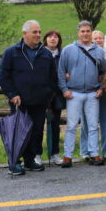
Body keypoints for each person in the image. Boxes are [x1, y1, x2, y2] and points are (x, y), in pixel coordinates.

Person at [0, 20, 56, 174]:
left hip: (39, 101)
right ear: (24, 33)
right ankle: (14, 162)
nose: (38, 35)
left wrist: (48, 94)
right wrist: (12, 94)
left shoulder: (46, 53)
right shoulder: (11, 52)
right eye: (35, 32)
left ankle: (30, 160)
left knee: (36, 131)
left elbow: (52, 77)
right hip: (19, 101)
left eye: (39, 32)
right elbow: (4, 77)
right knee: (18, 131)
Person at [59, 20, 106, 167]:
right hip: (74, 93)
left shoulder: (100, 51)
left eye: (88, 31)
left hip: (93, 93)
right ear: (78, 33)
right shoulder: (68, 50)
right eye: (82, 31)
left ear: (91, 32)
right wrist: (64, 89)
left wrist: (101, 88)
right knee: (72, 126)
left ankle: (94, 154)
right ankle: (68, 156)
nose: (85, 34)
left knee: (93, 126)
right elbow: (61, 71)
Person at [80, 31, 106, 160]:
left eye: (101, 38)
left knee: (105, 120)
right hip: (88, 91)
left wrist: (103, 84)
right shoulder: (84, 52)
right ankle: (85, 151)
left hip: (104, 91)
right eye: (96, 38)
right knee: (86, 122)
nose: (98, 40)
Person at [43, 30, 65, 165]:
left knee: (55, 125)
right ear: (45, 39)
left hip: (57, 94)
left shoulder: (63, 55)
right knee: (37, 126)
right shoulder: (40, 53)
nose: (53, 39)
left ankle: (54, 153)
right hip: (41, 94)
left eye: (56, 37)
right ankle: (36, 154)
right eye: (50, 36)